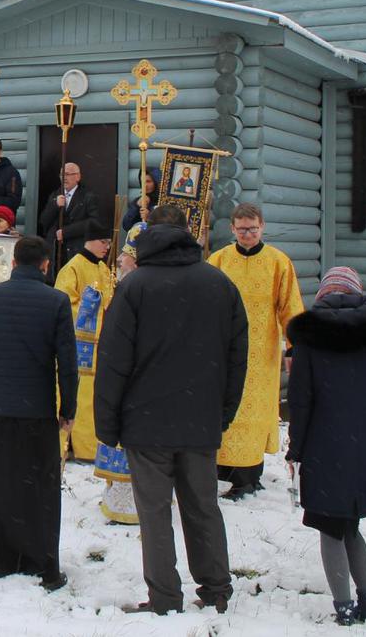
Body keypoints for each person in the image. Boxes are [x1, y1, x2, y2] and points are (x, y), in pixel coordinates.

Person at [94, 205, 248, 615]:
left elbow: (113, 359)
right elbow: (237, 356)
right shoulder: (219, 283)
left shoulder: (135, 285)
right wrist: (224, 411)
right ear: (188, 232)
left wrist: (107, 424)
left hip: (146, 421)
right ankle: (216, 587)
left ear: (148, 234)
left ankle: (165, 596)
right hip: (201, 416)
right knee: (202, 506)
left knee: (155, 512)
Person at [285, 267, 366, 625]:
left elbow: (300, 401)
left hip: (324, 447)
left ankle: (344, 608)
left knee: (330, 526)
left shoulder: (310, 337)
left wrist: (295, 450)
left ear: (323, 296)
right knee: (351, 526)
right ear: (358, 293)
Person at [0, 235, 77, 592]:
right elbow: (67, 365)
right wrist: (67, 409)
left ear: (13, 263)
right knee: (39, 487)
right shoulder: (56, 301)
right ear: (45, 265)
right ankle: (40, 559)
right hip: (38, 410)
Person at [207, 202, 304, 500]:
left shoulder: (278, 262)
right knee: (225, 407)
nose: (247, 234)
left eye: (252, 229)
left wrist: (294, 347)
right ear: (232, 230)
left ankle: (248, 476)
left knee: (254, 411)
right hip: (223, 348)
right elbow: (204, 301)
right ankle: (220, 472)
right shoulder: (218, 261)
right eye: (241, 230)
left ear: (262, 227)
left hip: (262, 350)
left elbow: (291, 308)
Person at [93, 219, 148, 524]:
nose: (119, 260)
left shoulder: (133, 288)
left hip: (131, 378)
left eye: (125, 256)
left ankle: (129, 503)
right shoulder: (128, 284)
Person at [52, 220, 114, 463]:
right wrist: (94, 307)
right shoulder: (72, 268)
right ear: (90, 240)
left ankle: (88, 446)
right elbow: (64, 304)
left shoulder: (102, 269)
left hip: (99, 344)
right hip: (76, 345)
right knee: (73, 394)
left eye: (109, 243)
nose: (106, 247)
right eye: (103, 242)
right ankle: (66, 445)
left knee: (91, 398)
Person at [37, 162, 100, 271]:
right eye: (62, 175)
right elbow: (43, 221)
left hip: (75, 248)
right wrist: (54, 205)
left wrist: (67, 232)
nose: (64, 178)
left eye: (68, 174)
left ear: (78, 177)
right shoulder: (55, 195)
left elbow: (93, 222)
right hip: (55, 251)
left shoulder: (87, 196)